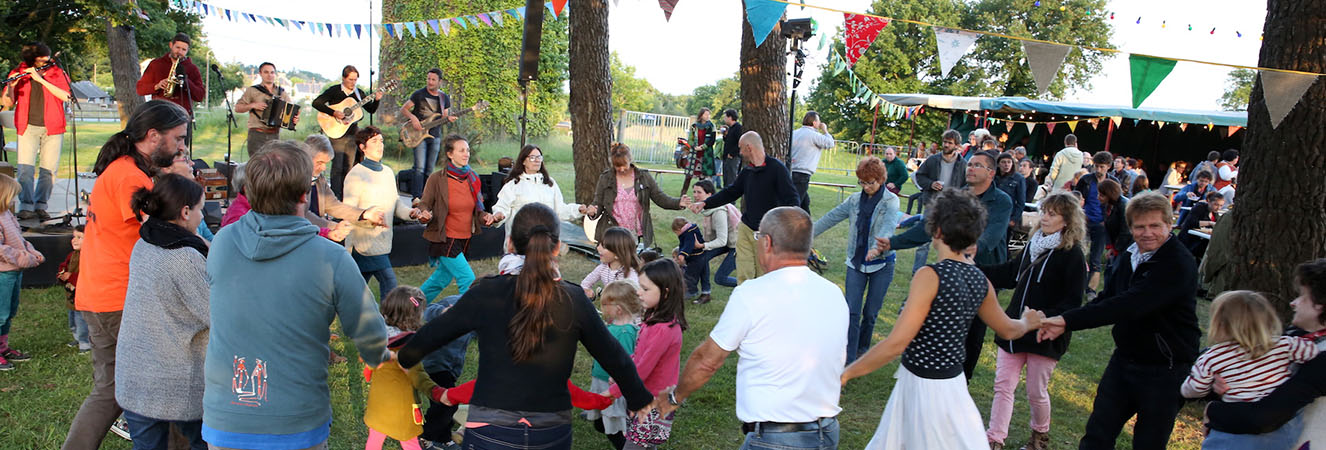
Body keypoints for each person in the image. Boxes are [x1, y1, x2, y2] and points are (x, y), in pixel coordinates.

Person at [397, 203, 653, 449]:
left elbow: (431, 335)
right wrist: (640, 398)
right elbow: (614, 356)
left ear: (509, 244)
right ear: (556, 248)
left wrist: (404, 357)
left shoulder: (486, 293)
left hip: (490, 430)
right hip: (550, 432)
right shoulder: (573, 299)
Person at [202, 139, 391, 449]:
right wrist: (382, 357)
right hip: (296, 423)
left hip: (226, 419)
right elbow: (371, 337)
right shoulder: (331, 258)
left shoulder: (222, 242)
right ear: (304, 195)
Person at [843, 190, 1043, 450]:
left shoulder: (929, 276)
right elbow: (1008, 328)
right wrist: (1028, 321)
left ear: (936, 231)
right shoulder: (979, 279)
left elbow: (896, 343)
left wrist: (847, 373)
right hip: (951, 385)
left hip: (925, 390)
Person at [648, 207, 848, 450]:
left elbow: (707, 361)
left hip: (776, 437)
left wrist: (674, 398)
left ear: (767, 242)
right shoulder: (834, 293)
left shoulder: (752, 294)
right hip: (826, 431)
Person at [63, 100, 188, 450]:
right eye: (177, 139)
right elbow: (154, 229)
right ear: (153, 136)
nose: (181, 147)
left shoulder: (125, 169)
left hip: (101, 294)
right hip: (121, 300)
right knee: (170, 384)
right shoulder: (129, 176)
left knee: (110, 390)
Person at [1036, 192, 1201, 450]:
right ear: (1131, 227)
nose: (1147, 233)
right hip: (1125, 360)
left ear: (1170, 225)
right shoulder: (1130, 255)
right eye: (1139, 226)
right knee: (1097, 435)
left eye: (1155, 225)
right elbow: (1109, 297)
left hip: (1166, 368)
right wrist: (1065, 321)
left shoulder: (1178, 263)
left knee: (1148, 442)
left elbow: (1129, 304)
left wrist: (1067, 320)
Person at [877, 150, 1013, 380]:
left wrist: (974, 247)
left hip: (984, 271)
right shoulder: (955, 197)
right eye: (970, 164)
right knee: (946, 324)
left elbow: (994, 233)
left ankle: (963, 379)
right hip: (954, 269)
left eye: (977, 165)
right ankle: (938, 371)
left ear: (991, 173)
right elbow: (928, 226)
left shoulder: (1001, 200)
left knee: (976, 329)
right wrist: (893, 242)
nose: (970, 168)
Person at [979, 192, 1087, 450]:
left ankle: (1039, 436)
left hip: (1045, 333)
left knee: (1036, 391)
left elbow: (1073, 301)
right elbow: (1010, 274)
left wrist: (1047, 319)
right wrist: (974, 270)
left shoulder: (1072, 254)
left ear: (1067, 220)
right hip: (1016, 328)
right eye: (1044, 211)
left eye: (1052, 213)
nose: (1045, 217)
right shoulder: (1033, 244)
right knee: (1003, 385)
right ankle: (995, 438)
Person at [113, 173, 210, 449]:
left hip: (135, 375)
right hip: (172, 383)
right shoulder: (184, 257)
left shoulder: (144, 243)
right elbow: (217, 314)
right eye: (201, 209)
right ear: (185, 211)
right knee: (206, 443)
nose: (202, 217)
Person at [1205, 258, 1326, 448]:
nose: (1294, 303)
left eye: (1303, 296)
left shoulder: (1321, 358)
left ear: (1321, 304)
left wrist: (1213, 412)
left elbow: (1264, 416)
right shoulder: (1301, 336)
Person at [811, 157, 901, 363]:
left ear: (880, 180)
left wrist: (876, 249)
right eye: (862, 182)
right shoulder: (853, 201)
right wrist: (808, 234)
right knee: (851, 312)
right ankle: (849, 357)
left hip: (882, 263)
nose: (867, 186)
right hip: (856, 263)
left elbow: (888, 227)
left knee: (870, 313)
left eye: (871, 182)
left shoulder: (891, 201)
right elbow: (832, 217)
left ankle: (863, 348)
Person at [687, 131, 799, 284]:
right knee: (744, 275)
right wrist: (705, 203)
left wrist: (784, 227)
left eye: (740, 148)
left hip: (767, 233)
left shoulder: (777, 169)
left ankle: (761, 306)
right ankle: (744, 304)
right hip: (746, 229)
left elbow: (792, 200)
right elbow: (732, 192)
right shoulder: (748, 171)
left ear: (749, 147)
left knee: (763, 276)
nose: (739, 152)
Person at [603, 259, 687, 449]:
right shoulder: (654, 320)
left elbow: (642, 369)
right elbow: (640, 355)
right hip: (646, 397)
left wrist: (613, 392)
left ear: (665, 292)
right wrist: (619, 376)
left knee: (636, 446)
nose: (639, 292)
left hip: (652, 403)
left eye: (645, 289)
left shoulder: (662, 330)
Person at [343, 127, 427, 295]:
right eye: (374, 141)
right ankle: (391, 319)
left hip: (383, 242)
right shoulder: (355, 174)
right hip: (364, 244)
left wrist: (411, 213)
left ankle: (357, 317)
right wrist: (347, 249)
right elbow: (348, 212)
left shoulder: (388, 172)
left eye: (381, 141)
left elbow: (395, 203)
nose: (379, 145)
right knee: (390, 284)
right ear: (362, 147)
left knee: (356, 292)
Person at [417, 135, 492, 302]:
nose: (466, 154)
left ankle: (407, 310)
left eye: (468, 150)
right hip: (444, 238)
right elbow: (424, 203)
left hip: (464, 238)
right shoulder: (437, 179)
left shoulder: (473, 178)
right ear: (450, 154)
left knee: (439, 280)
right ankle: (468, 319)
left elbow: (478, 210)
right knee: (468, 279)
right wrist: (424, 214)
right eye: (461, 150)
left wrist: (486, 216)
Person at [2, 41, 71, 222]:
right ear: (32, 61)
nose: (45, 62)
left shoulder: (56, 72)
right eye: (41, 60)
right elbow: (7, 103)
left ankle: (41, 205)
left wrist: (41, 79)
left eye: (46, 59)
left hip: (53, 126)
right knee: (25, 169)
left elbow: (66, 96)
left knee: (49, 169)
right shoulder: (20, 72)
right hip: (28, 126)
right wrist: (12, 85)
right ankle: (26, 207)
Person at [363, 286, 436, 450]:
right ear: (414, 316)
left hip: (379, 402)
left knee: (375, 436)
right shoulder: (410, 346)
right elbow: (417, 375)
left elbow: (370, 362)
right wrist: (435, 391)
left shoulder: (378, 335)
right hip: (402, 405)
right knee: (409, 441)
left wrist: (368, 373)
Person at [590, 143, 686, 248]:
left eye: (624, 165)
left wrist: (678, 203)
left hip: (633, 231)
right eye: (617, 166)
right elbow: (597, 203)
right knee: (610, 262)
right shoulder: (605, 178)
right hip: (611, 230)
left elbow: (659, 197)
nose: (621, 169)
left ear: (630, 160)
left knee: (629, 262)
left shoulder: (644, 177)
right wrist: (593, 211)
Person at [587, 280, 643, 449]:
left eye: (604, 305)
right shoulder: (613, 327)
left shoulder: (625, 332)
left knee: (613, 426)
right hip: (600, 379)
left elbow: (624, 361)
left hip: (610, 383)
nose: (602, 308)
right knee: (600, 422)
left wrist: (617, 381)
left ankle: (624, 444)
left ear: (618, 309)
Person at [312, 65, 382, 198]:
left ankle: (346, 196)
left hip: (352, 133)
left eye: (355, 80)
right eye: (350, 79)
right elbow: (317, 103)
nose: (353, 83)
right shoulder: (335, 91)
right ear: (343, 78)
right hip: (336, 132)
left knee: (349, 166)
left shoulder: (358, 93)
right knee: (337, 166)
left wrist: (377, 99)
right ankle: (334, 196)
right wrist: (334, 112)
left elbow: (371, 109)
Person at [0, 174, 45, 371]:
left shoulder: (7, 214)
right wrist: (23, 258)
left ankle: (3, 347)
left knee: (9, 312)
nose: (14, 201)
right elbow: (2, 249)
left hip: (15, 272)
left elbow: (19, 237)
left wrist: (32, 251)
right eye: (11, 196)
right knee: (0, 314)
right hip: (4, 274)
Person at [491, 144, 592, 230]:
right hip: (521, 241)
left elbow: (560, 210)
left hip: (546, 240)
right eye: (532, 158)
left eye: (539, 157)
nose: (537, 161)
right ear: (523, 161)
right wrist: (498, 216)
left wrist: (578, 210)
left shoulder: (550, 183)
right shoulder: (513, 185)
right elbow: (502, 208)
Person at [908, 130, 968, 273]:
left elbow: (968, 184)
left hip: (951, 207)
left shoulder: (963, 164)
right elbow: (920, 176)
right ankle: (917, 271)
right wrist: (930, 184)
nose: (946, 145)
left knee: (949, 240)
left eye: (950, 143)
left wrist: (957, 195)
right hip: (932, 204)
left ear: (957, 145)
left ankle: (945, 271)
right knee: (924, 237)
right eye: (945, 142)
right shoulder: (933, 160)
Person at [302, 134, 383, 237]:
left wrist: (364, 214)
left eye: (326, 163)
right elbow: (303, 214)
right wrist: (331, 226)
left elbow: (334, 206)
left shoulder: (319, 179)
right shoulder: (294, 179)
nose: (323, 168)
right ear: (305, 158)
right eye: (320, 162)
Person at [400, 68, 456, 198]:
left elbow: (444, 118)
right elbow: (404, 109)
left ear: (439, 81)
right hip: (418, 135)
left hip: (434, 136)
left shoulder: (444, 98)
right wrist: (413, 118)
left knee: (429, 169)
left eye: (433, 80)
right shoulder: (419, 94)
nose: (430, 82)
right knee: (419, 168)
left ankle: (427, 196)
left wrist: (448, 119)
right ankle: (416, 197)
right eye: (428, 79)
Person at [687, 180, 738, 305]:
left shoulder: (718, 212)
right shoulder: (707, 209)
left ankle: (750, 285)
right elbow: (711, 237)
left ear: (710, 195)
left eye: (699, 192)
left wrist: (703, 245)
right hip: (728, 242)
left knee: (720, 278)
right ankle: (705, 293)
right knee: (701, 256)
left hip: (738, 245)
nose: (695, 195)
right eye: (694, 192)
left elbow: (721, 240)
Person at [234, 62, 298, 156]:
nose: (270, 75)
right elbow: (238, 108)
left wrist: (294, 119)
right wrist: (253, 105)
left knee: (274, 165)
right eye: (266, 72)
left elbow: (291, 110)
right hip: (257, 133)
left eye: (272, 72)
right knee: (256, 165)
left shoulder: (281, 92)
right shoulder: (252, 90)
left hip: (274, 135)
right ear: (260, 73)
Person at [135, 33, 205, 118]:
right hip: (159, 114)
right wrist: (157, 86)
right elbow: (140, 89)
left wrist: (186, 81)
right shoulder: (156, 64)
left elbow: (200, 96)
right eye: (177, 48)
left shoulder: (192, 68)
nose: (180, 52)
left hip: (182, 116)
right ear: (171, 45)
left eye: (184, 50)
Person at [1078, 151, 1113, 298]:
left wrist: (1108, 222)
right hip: (1084, 222)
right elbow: (1076, 198)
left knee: (1096, 258)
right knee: (1079, 255)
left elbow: (1116, 205)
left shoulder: (1112, 183)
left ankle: (1091, 289)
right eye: (1096, 166)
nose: (1098, 170)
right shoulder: (1086, 180)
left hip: (1101, 224)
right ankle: (1078, 285)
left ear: (1108, 167)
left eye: (1102, 167)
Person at [789, 111, 835, 214]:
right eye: (818, 121)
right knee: (795, 205)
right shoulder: (813, 135)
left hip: (791, 171)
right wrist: (825, 130)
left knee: (804, 203)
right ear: (814, 123)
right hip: (803, 173)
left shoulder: (794, 133)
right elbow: (830, 143)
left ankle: (807, 225)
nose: (820, 123)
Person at [582, 227, 642, 299]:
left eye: (603, 247)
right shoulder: (603, 267)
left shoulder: (629, 276)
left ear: (617, 254)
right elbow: (586, 282)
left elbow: (632, 299)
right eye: (599, 244)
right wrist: (586, 291)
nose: (598, 248)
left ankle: (603, 292)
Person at [58, 225, 90, 353]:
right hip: (71, 296)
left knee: (81, 319)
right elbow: (64, 266)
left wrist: (71, 277)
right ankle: (77, 337)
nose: (74, 240)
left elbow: (87, 275)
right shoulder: (72, 255)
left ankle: (85, 342)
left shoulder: (89, 257)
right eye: (73, 237)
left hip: (82, 296)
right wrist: (61, 274)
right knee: (72, 319)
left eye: (79, 237)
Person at [681, 108, 718, 196]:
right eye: (706, 114)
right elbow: (691, 139)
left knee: (703, 176)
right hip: (694, 154)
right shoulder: (694, 126)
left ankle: (701, 194)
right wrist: (693, 146)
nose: (708, 116)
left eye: (709, 114)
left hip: (706, 154)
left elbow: (712, 140)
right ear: (701, 115)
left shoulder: (711, 126)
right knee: (689, 175)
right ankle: (683, 194)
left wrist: (702, 147)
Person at [1177, 191, 1223, 259]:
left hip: (1202, 240)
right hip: (1190, 240)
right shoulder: (1200, 207)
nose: (1218, 208)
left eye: (1221, 205)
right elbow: (1191, 223)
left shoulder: (1215, 213)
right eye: (1216, 204)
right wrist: (1209, 223)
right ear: (1208, 201)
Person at [994, 152, 1026, 234]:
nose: (1006, 165)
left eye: (1009, 162)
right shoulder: (993, 177)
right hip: (993, 214)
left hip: (1008, 215)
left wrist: (1014, 219)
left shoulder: (1018, 178)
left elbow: (1021, 201)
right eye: (1003, 162)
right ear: (998, 164)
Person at [1098, 179, 1132, 257]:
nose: (1098, 197)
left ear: (1110, 195)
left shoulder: (1123, 206)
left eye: (1101, 195)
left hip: (1125, 248)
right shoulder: (1107, 205)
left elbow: (1126, 231)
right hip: (1117, 246)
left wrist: (1116, 249)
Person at [720, 109, 743, 188]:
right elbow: (729, 141)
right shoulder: (730, 128)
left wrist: (732, 154)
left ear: (730, 117)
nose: (724, 119)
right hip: (727, 157)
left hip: (733, 158)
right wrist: (725, 135)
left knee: (731, 180)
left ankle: (731, 200)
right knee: (726, 180)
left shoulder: (738, 128)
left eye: (725, 117)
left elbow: (740, 143)